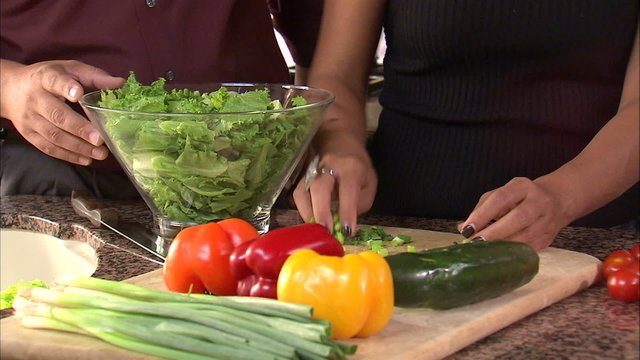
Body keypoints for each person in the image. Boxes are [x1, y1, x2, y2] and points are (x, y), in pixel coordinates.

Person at [293, 0, 639, 250]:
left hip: (589, 234)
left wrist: (563, 196)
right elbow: (337, 75)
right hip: (398, 225)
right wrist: (340, 146)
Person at [0, 0, 322, 199]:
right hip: (65, 180)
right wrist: (9, 87)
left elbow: (319, 30)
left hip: (254, 171)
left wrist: (324, 128)